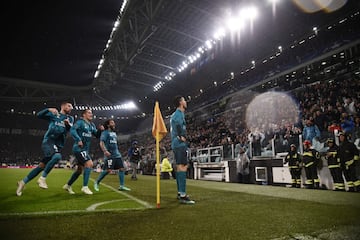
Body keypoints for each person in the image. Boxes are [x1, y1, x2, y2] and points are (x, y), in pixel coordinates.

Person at [16, 101, 74, 196]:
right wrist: (48, 109)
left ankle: (22, 182)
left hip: (58, 144)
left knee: (41, 167)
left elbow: (70, 129)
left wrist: (68, 125)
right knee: (57, 157)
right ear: (63, 106)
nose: (71, 108)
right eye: (69, 106)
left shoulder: (70, 118)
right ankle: (42, 179)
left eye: (71, 107)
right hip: (49, 141)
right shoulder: (54, 114)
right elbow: (38, 115)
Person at [63, 109, 103, 195]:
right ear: (84, 115)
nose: (91, 114)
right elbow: (73, 130)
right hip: (79, 148)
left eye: (91, 113)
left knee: (79, 170)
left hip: (85, 150)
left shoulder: (91, 125)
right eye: (89, 113)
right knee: (89, 164)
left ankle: (68, 185)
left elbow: (97, 135)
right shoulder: (80, 122)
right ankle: (85, 187)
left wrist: (100, 130)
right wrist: (78, 139)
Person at [94, 119, 131, 192]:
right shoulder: (105, 133)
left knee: (121, 169)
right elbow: (101, 143)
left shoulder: (114, 133)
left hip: (117, 154)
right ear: (108, 125)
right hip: (110, 155)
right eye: (112, 123)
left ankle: (121, 186)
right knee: (108, 170)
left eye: (114, 123)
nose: (114, 124)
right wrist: (105, 151)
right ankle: (97, 182)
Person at [170, 95, 195, 204]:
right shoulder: (179, 114)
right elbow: (180, 126)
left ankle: (180, 192)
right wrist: (181, 136)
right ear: (180, 102)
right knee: (183, 167)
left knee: (180, 167)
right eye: (184, 100)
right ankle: (183, 195)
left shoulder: (175, 115)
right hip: (180, 144)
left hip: (176, 143)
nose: (186, 102)